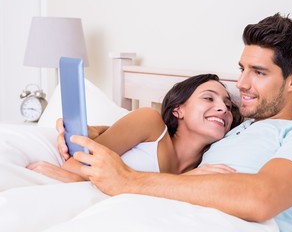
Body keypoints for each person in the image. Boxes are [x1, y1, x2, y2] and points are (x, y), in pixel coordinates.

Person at [59, 13, 292, 232]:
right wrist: (96, 131)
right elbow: (171, 140)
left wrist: (128, 181)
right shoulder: (231, 131)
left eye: (258, 72)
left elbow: (262, 198)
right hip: (156, 213)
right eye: (242, 69)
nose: (242, 84)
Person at [28, 74, 243, 182]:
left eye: (228, 105)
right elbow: (75, 166)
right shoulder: (149, 122)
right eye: (208, 98)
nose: (222, 108)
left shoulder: (200, 172)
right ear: (178, 110)